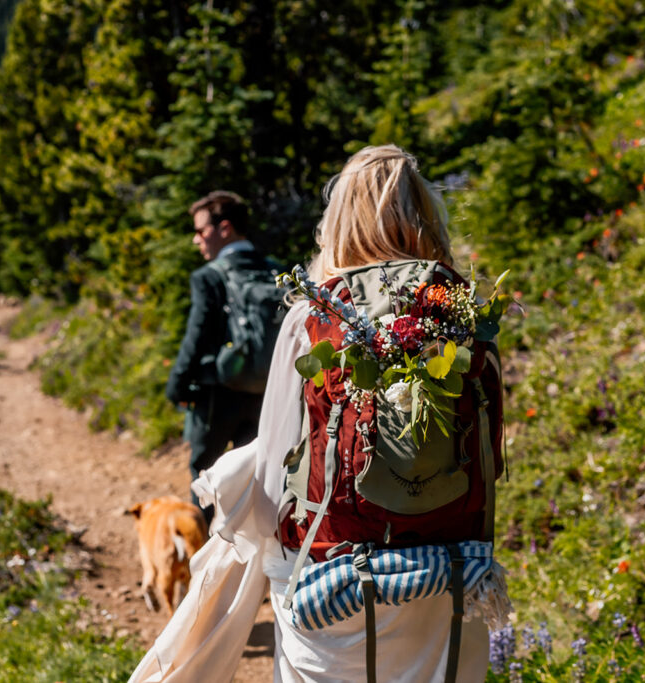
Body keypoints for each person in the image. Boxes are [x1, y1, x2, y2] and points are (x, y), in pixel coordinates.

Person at [133, 146, 510, 683]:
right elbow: (489, 456)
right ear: (427, 212)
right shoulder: (461, 309)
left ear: (338, 221)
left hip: (335, 576)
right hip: (452, 572)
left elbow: (273, 472)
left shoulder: (317, 313)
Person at [165, 191, 273, 520]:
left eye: (200, 231)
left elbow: (197, 337)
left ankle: (205, 565)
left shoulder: (209, 277)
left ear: (224, 228)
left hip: (216, 396)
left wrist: (177, 387)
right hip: (267, 393)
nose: (196, 239)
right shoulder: (276, 272)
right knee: (258, 479)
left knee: (205, 478)